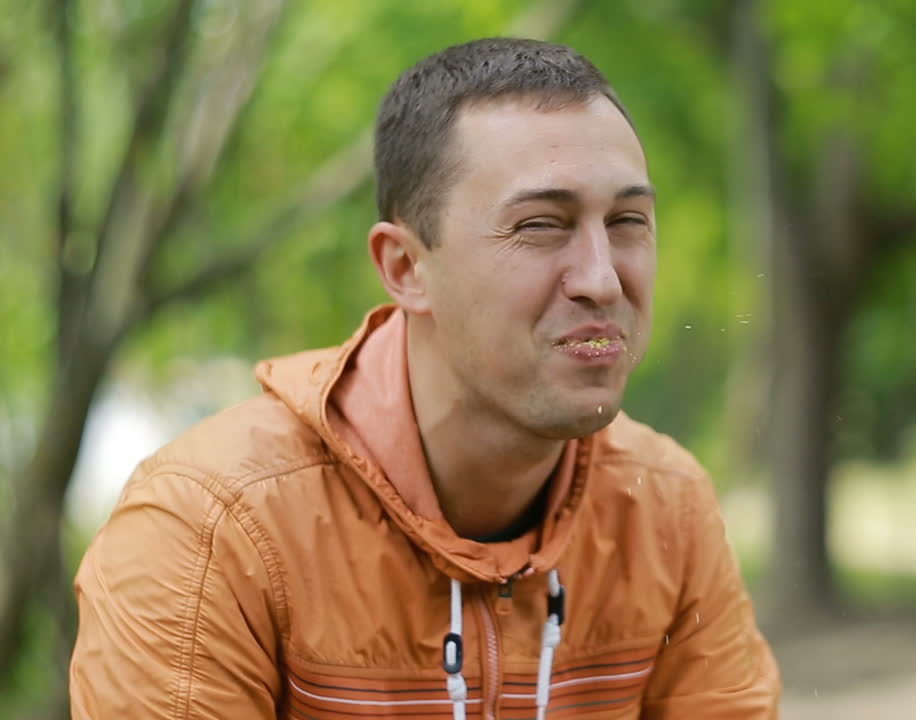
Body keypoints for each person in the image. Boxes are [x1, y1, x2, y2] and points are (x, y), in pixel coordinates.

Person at [68, 37, 779, 719]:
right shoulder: (212, 532)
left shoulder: (664, 509)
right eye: (540, 225)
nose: (603, 279)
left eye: (627, 221)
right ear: (406, 268)